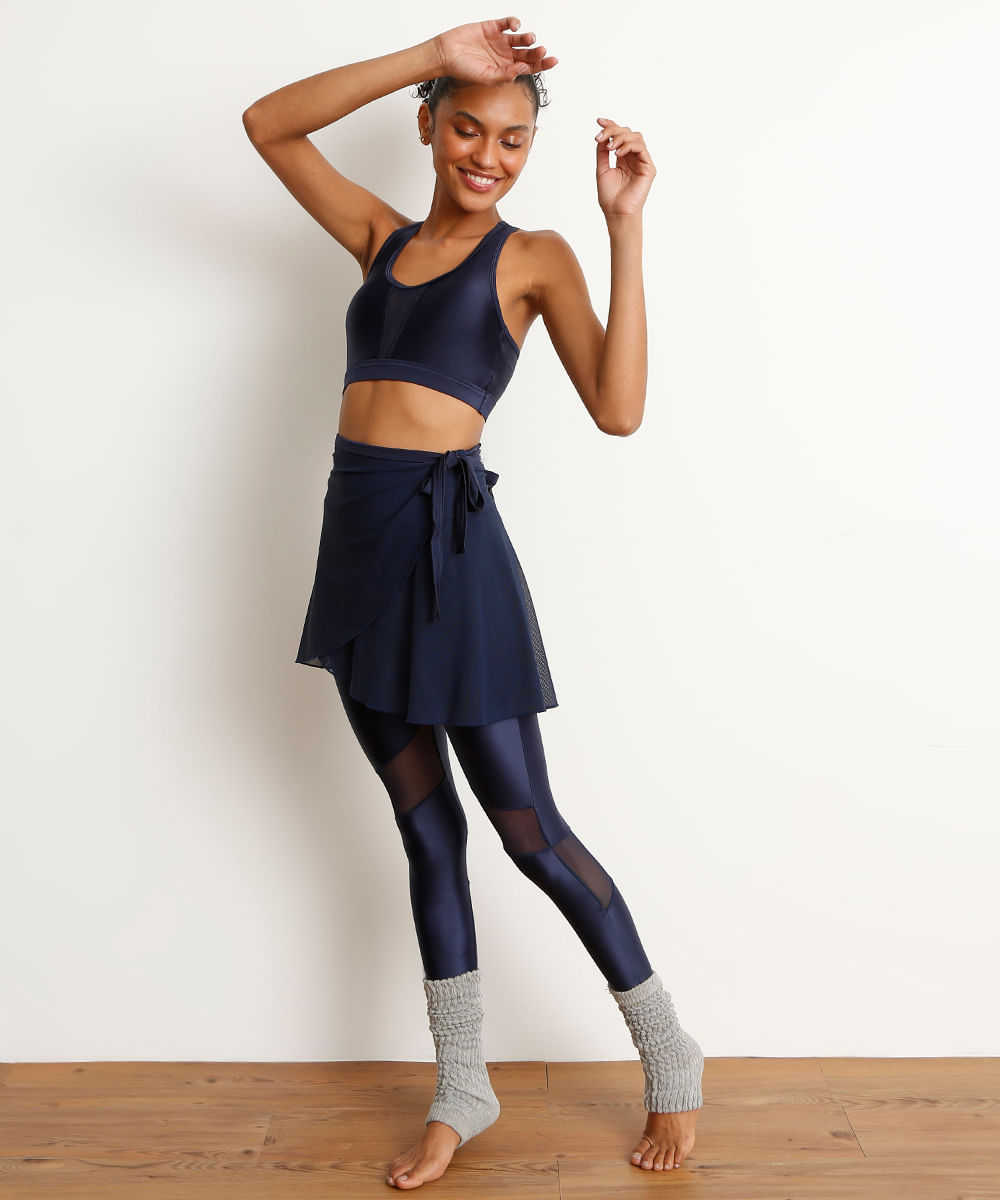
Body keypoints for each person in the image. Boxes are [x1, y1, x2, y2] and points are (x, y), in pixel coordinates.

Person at [242, 15, 704, 1189]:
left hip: (456, 568)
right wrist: (430, 53)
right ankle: (463, 1086)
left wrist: (624, 229)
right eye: (465, 129)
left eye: (510, 139)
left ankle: (668, 1050)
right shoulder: (380, 238)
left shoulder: (533, 256)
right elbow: (268, 125)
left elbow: (618, 409)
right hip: (357, 553)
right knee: (423, 830)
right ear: (429, 126)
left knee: (526, 829)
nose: (487, 155)